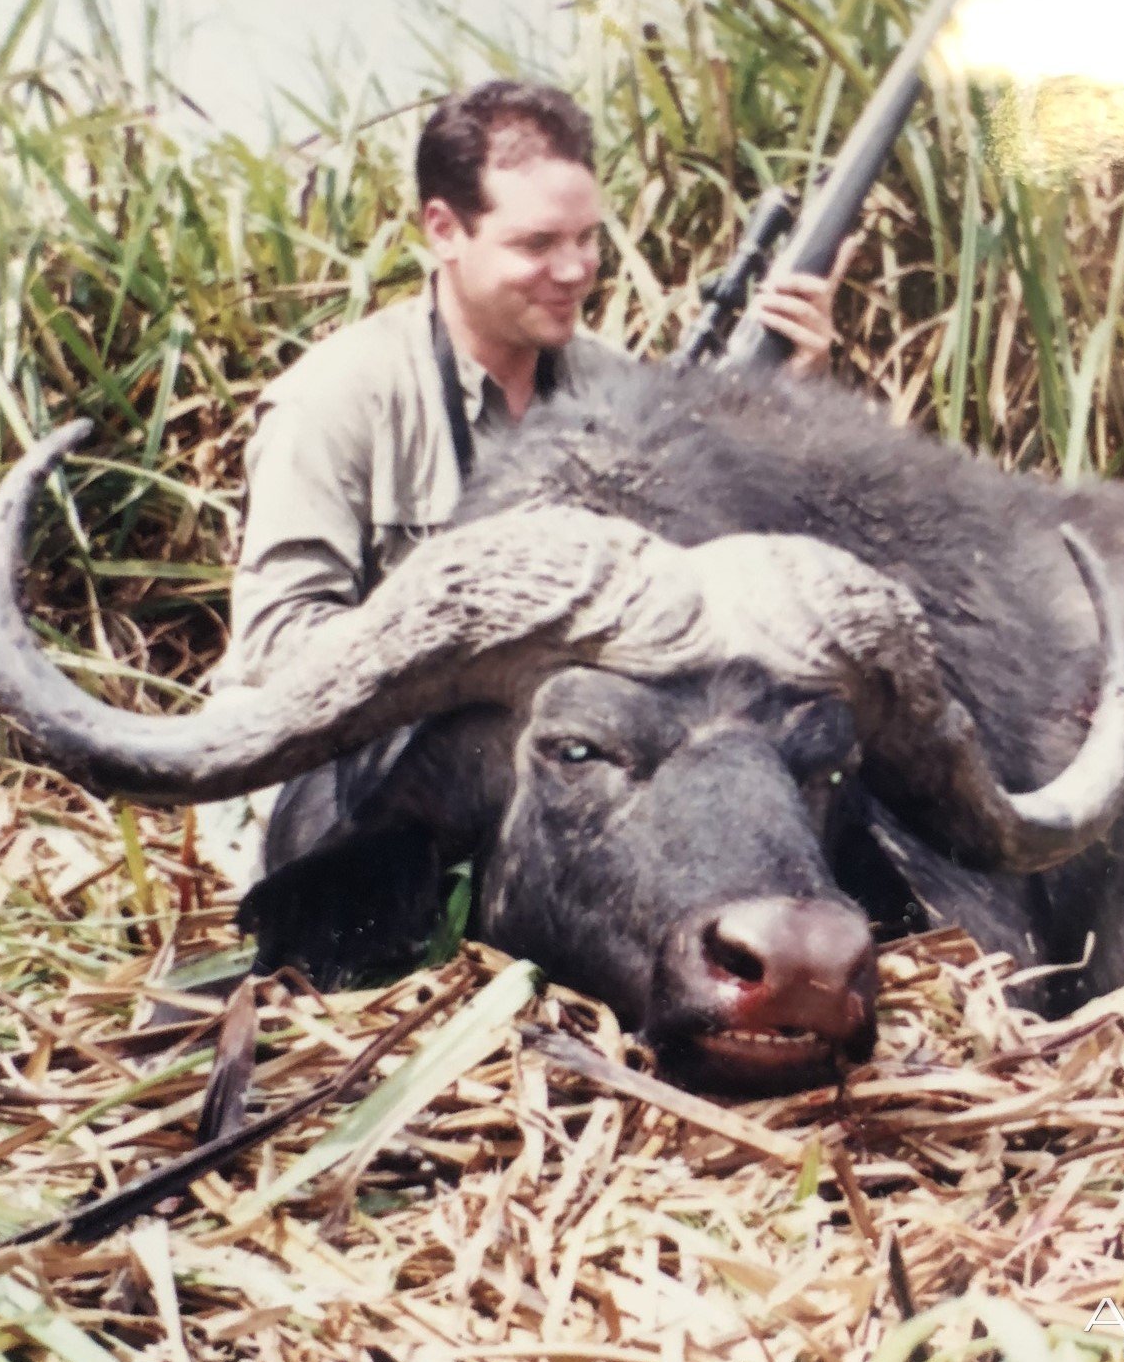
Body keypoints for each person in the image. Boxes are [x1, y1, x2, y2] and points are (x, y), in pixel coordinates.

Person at [205, 78, 856, 879]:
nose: (575, 268)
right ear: (444, 230)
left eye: (588, 239)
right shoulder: (335, 397)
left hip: (547, 748)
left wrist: (791, 393)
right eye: (537, 244)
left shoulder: (616, 389)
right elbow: (275, 638)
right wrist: (462, 643)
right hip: (364, 739)